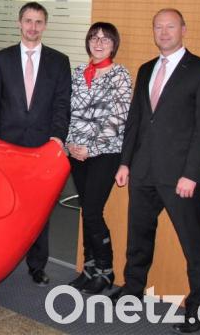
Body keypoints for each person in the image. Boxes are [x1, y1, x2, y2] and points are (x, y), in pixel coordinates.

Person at [111, 9, 200, 333]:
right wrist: (125, 163)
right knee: (138, 238)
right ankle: (133, 290)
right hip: (143, 170)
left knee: (194, 244)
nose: (163, 32)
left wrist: (193, 174)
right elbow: (136, 122)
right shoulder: (146, 69)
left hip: (181, 177)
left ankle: (198, 309)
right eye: (158, 27)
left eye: (170, 26)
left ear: (183, 29)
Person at [0, 1, 71, 286]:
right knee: (5, 205)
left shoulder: (59, 61)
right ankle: (0, 259)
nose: (32, 27)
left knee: (40, 208)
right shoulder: (2, 59)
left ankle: (37, 265)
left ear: (44, 26)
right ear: (19, 23)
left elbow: (62, 105)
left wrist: (57, 139)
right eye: (28, 21)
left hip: (42, 148)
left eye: (38, 22)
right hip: (7, 147)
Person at [65, 22, 132, 294]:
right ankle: (90, 267)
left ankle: (106, 270)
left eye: (105, 38)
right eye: (94, 37)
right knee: (86, 210)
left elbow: (118, 118)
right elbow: (68, 109)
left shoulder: (120, 75)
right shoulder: (79, 72)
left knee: (93, 210)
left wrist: (90, 148)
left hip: (105, 153)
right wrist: (69, 143)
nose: (99, 42)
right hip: (75, 153)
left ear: (114, 44)